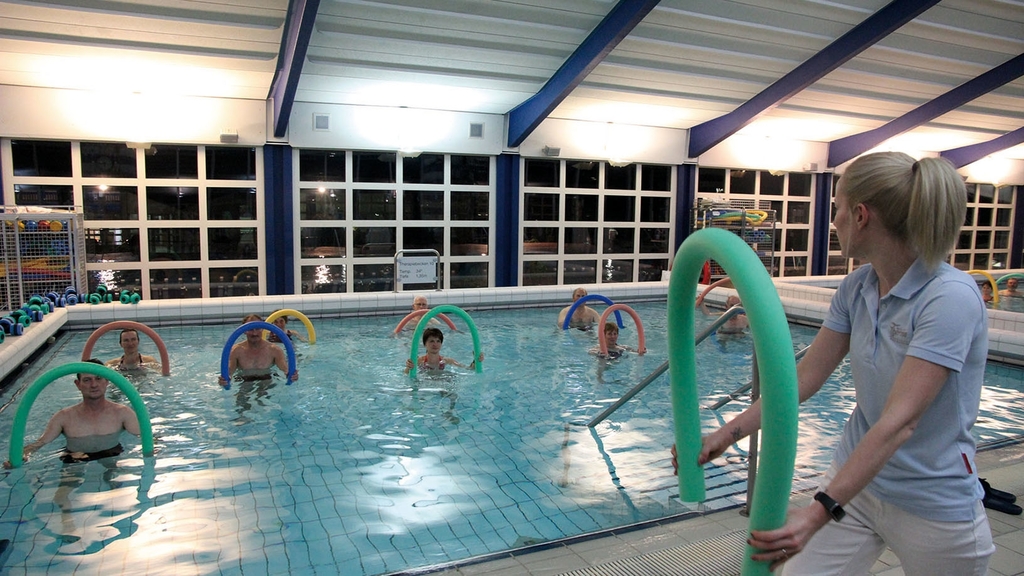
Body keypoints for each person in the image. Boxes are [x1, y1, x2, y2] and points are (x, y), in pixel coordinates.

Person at [689, 152, 994, 574]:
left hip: (932, 498)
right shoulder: (858, 287)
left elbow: (898, 423)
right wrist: (726, 433)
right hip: (858, 487)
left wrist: (816, 514)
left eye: (837, 210)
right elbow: (804, 379)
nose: (834, 222)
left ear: (862, 215)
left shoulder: (949, 299)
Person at [4, 359, 141, 467]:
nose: (93, 385)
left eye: (98, 378)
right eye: (87, 380)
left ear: (107, 381)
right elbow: (39, 444)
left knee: (115, 489)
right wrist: (19, 456)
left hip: (112, 453)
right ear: (78, 384)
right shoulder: (64, 417)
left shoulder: (123, 413)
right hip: (74, 457)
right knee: (62, 498)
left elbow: (145, 438)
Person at [219, 314, 298, 386]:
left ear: (263, 329)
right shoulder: (236, 351)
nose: (254, 333)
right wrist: (224, 380)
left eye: (257, 329)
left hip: (266, 380)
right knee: (241, 399)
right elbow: (229, 371)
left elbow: (285, 369)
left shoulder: (274, 350)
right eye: (250, 329)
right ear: (244, 331)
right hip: (243, 380)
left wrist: (291, 375)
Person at [404, 327, 483, 374]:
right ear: (425, 344)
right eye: (431, 341)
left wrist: (476, 360)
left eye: (438, 341)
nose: (435, 344)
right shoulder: (419, 361)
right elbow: (406, 374)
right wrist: (409, 367)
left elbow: (469, 369)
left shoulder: (447, 361)